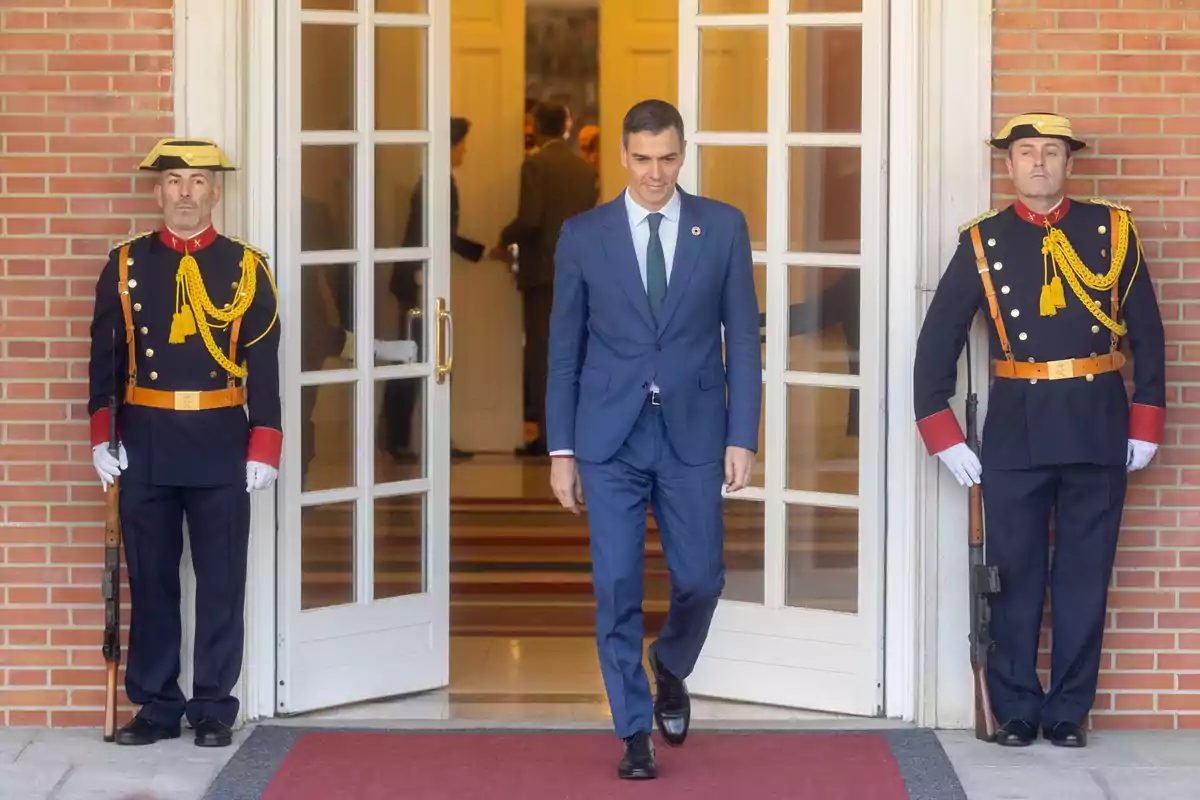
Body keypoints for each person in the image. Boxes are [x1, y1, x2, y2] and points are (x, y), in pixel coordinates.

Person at [912, 112, 1166, 749]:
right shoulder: (984, 240)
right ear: (1009, 165)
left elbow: (1149, 333)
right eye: (1026, 152)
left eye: (1051, 152)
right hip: (1017, 428)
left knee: (1085, 575)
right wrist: (942, 433)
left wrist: (1147, 418)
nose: (1038, 164)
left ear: (1069, 164)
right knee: (1015, 574)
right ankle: (1019, 706)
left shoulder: (1112, 230)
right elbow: (936, 343)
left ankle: (1068, 711)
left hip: (1096, 422)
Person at [545, 99, 761, 778]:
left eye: (668, 157)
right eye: (642, 159)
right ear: (621, 155)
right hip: (608, 438)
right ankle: (633, 732)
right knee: (616, 585)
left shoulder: (721, 227)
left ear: (682, 152)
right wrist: (561, 450)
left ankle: (670, 663)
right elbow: (563, 351)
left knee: (701, 577)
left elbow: (743, 342)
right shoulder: (583, 235)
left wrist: (743, 433)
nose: (655, 173)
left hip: (693, 434)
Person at [87, 138, 282, 748]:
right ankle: (157, 705)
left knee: (222, 579)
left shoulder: (247, 267)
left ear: (215, 193)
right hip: (145, 441)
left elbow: (265, 365)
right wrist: (102, 435)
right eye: (174, 181)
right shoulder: (124, 264)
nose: (185, 194)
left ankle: (214, 706)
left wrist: (265, 444)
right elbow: (104, 363)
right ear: (157, 192)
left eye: (198, 182)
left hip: (222, 441)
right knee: (152, 579)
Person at [493, 102, 599, 456]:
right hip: (582, 274)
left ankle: (549, 436)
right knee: (577, 352)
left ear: (537, 127)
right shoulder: (584, 171)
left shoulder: (536, 165)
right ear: (567, 129)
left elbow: (530, 219)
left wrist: (502, 238)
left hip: (543, 274)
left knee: (543, 355)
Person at [381, 117, 482, 460]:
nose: (465, 150)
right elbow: (436, 233)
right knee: (415, 359)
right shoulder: (438, 181)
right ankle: (398, 438)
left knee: (422, 357)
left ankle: (410, 437)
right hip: (417, 281)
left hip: (420, 278)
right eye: (462, 143)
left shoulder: (438, 180)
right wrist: (481, 252)